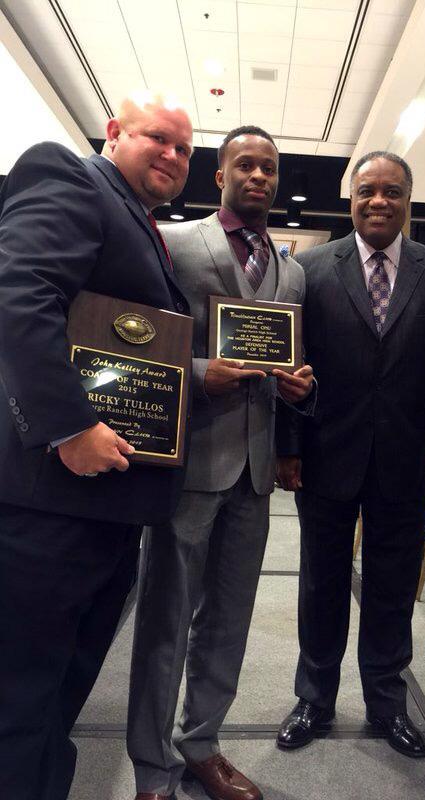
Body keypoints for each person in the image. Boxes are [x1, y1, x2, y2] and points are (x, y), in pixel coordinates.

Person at [0, 92, 193, 800]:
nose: (173, 156)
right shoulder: (71, 176)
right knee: (21, 697)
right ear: (114, 134)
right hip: (48, 501)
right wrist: (69, 427)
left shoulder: (138, 223)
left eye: (184, 150)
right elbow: (17, 296)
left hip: (101, 506)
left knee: (59, 693)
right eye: (159, 139)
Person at [127, 125, 314, 800]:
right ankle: (151, 768)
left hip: (256, 474)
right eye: (246, 165)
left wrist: (302, 385)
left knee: (229, 621)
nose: (259, 176)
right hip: (190, 462)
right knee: (165, 621)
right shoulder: (178, 245)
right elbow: (138, 344)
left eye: (268, 167)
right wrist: (202, 369)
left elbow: (288, 361)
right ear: (221, 175)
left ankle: (199, 744)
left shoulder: (291, 270)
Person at [275, 151, 425, 757]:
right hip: (326, 454)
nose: (378, 202)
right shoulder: (310, 269)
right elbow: (291, 370)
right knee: (321, 583)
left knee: (391, 586)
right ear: (350, 200)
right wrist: (289, 448)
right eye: (367, 192)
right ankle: (314, 699)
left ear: (409, 198)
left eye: (391, 192)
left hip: (405, 459)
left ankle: (387, 703)